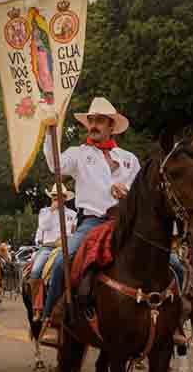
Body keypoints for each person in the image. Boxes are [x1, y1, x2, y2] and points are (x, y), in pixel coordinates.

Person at [38, 97, 141, 343]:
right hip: (93, 222)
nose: (93, 125)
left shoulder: (130, 158)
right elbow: (55, 165)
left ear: (111, 126)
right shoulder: (78, 154)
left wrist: (128, 194)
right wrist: (51, 130)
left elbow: (142, 193)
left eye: (99, 121)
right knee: (63, 261)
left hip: (127, 223)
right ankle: (53, 319)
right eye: (91, 120)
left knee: (172, 263)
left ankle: (172, 325)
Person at [28, 184, 77, 319]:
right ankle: (36, 307)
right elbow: (43, 226)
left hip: (66, 247)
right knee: (36, 271)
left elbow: (74, 232)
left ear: (65, 198)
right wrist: (52, 211)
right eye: (54, 196)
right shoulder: (44, 212)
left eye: (60, 196)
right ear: (51, 197)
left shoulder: (73, 214)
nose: (57, 199)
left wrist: (66, 239)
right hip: (47, 247)